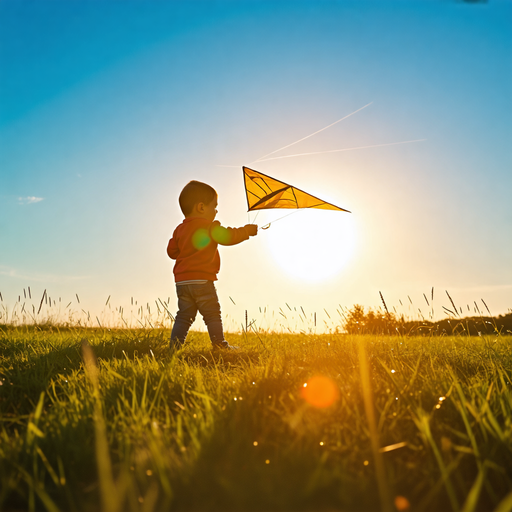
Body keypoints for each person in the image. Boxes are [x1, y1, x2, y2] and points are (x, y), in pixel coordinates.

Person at [167, 180, 257, 350]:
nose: (216, 211)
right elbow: (229, 237)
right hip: (202, 280)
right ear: (201, 207)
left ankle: (174, 347)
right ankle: (219, 345)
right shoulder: (210, 227)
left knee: (183, 316)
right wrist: (247, 231)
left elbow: (171, 252)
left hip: (182, 283)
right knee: (212, 314)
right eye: (214, 206)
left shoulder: (179, 229)